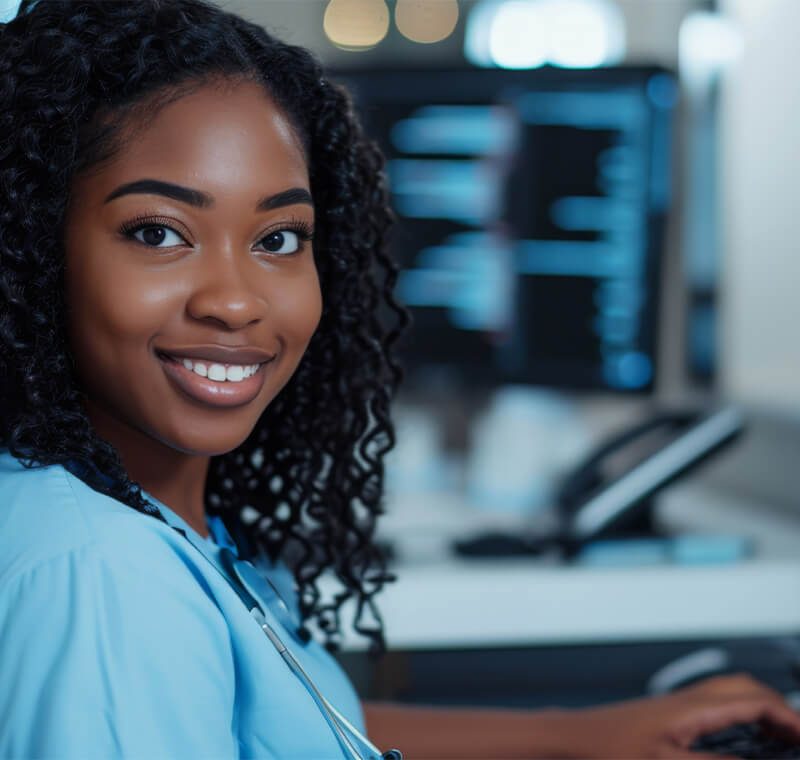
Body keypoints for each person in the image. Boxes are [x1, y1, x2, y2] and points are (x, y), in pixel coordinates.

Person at [0, 1, 798, 758]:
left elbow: (284, 724)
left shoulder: (143, 515)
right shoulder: (100, 577)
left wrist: (579, 734)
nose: (236, 301)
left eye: (279, 237)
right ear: (33, 251)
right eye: (158, 232)